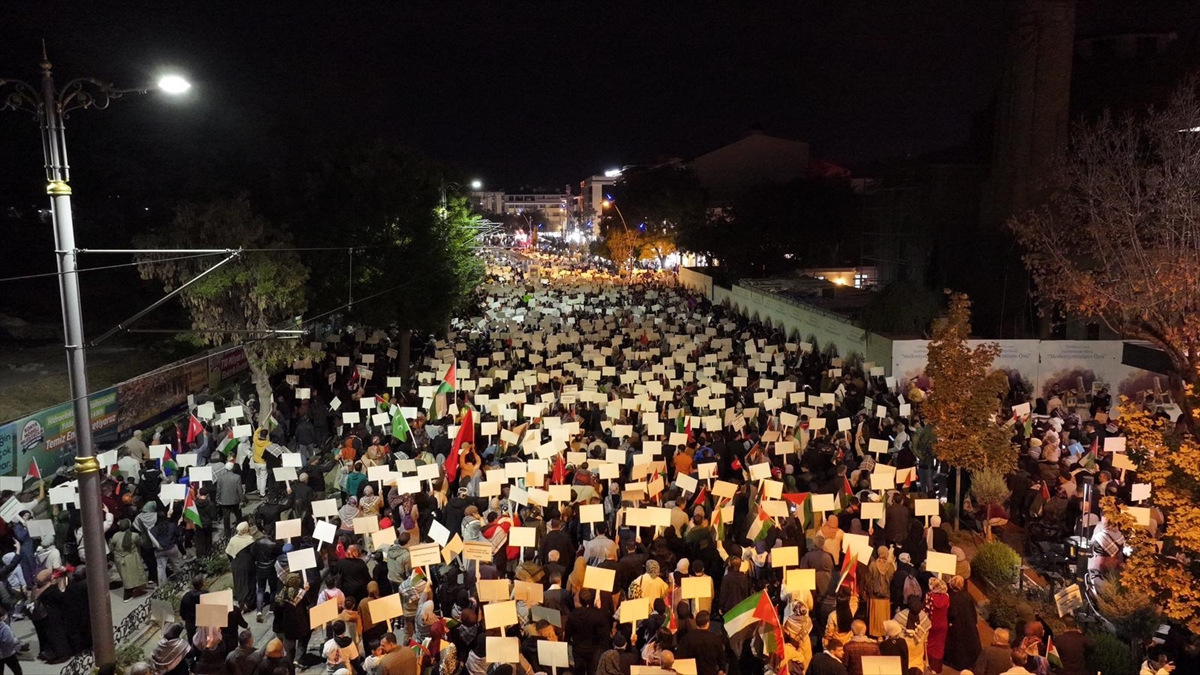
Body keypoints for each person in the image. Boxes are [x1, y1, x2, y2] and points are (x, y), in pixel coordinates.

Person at [945, 575, 982, 671]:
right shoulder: (967, 595)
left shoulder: (952, 597)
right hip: (969, 623)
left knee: (959, 646)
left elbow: (952, 613)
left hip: (958, 625)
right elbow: (973, 610)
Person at [676, 611, 728, 675]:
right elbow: (721, 658)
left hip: (692, 672)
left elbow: (680, 658)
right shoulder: (715, 638)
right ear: (708, 623)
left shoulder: (687, 638)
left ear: (696, 622)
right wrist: (722, 669)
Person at [113, 519, 149, 600]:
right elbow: (141, 542)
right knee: (135, 575)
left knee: (126, 576)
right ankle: (129, 594)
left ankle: (135, 591)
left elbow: (112, 546)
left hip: (119, 559)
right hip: (131, 558)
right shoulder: (134, 535)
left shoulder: (115, 535)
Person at [925, 576, 951, 673]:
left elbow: (926, 610)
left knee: (929, 644)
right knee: (939, 646)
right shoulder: (947, 597)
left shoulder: (929, 596)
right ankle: (936, 667)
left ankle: (928, 665)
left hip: (932, 624)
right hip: (943, 625)